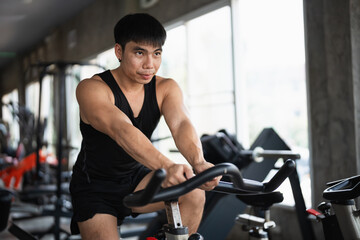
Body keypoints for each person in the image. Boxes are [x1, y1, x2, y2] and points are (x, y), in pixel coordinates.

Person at [69, 13, 220, 240]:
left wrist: (198, 162)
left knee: (194, 192)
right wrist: (168, 166)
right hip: (96, 188)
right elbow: (121, 130)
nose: (150, 65)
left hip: (137, 178)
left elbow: (180, 124)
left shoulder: (165, 88)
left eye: (156, 54)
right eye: (139, 53)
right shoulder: (91, 89)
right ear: (119, 52)